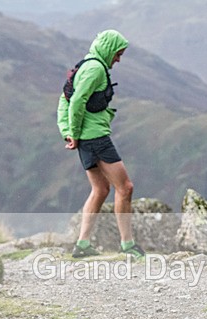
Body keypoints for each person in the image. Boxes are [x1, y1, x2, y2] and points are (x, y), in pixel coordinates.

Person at [57, 29, 145, 259]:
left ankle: (82, 244)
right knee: (125, 188)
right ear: (109, 49)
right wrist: (73, 133)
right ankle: (128, 245)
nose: (118, 59)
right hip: (94, 137)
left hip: (87, 137)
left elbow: (64, 98)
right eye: (118, 54)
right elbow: (76, 101)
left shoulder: (86, 65)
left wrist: (68, 132)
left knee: (101, 189)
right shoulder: (95, 69)